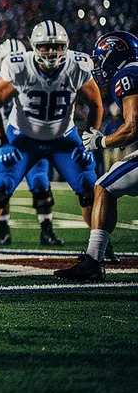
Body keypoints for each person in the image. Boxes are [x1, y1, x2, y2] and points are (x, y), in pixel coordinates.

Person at [0, 20, 106, 261]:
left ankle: (100, 247)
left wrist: (90, 139)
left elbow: (96, 104)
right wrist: (1, 141)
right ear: (33, 47)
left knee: (88, 185)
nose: (52, 52)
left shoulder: (77, 65)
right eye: (46, 47)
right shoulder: (19, 66)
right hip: (23, 138)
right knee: (1, 187)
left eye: (58, 46)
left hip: (63, 138)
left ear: (66, 47)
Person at [55, 31, 138, 280]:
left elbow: (133, 127)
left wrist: (102, 141)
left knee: (103, 187)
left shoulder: (127, 75)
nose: (100, 65)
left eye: (102, 58)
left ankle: (93, 261)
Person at [0, 38, 63, 247]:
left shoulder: (36, 74)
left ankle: (47, 231)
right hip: (4, 138)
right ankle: (4, 230)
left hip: (31, 136)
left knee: (41, 183)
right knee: (2, 185)